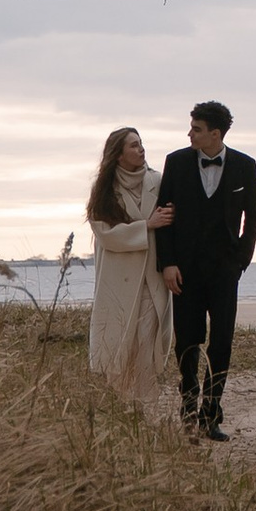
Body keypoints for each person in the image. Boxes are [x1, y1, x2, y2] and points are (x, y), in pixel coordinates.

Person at [153, 97, 256, 439]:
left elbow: (254, 216)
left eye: (196, 129)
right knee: (187, 342)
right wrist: (167, 263)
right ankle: (188, 409)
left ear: (215, 134)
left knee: (222, 343)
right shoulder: (177, 162)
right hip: (184, 270)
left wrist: (241, 259)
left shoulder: (245, 165)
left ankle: (211, 414)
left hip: (225, 270)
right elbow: (165, 217)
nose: (189, 134)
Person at [85, 126, 176, 418]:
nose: (141, 150)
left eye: (141, 144)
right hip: (117, 279)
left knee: (147, 339)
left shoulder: (158, 181)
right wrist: (146, 226)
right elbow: (105, 234)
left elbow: (173, 222)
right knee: (119, 339)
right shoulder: (104, 190)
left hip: (150, 277)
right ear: (119, 154)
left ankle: (146, 407)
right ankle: (121, 405)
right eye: (134, 146)